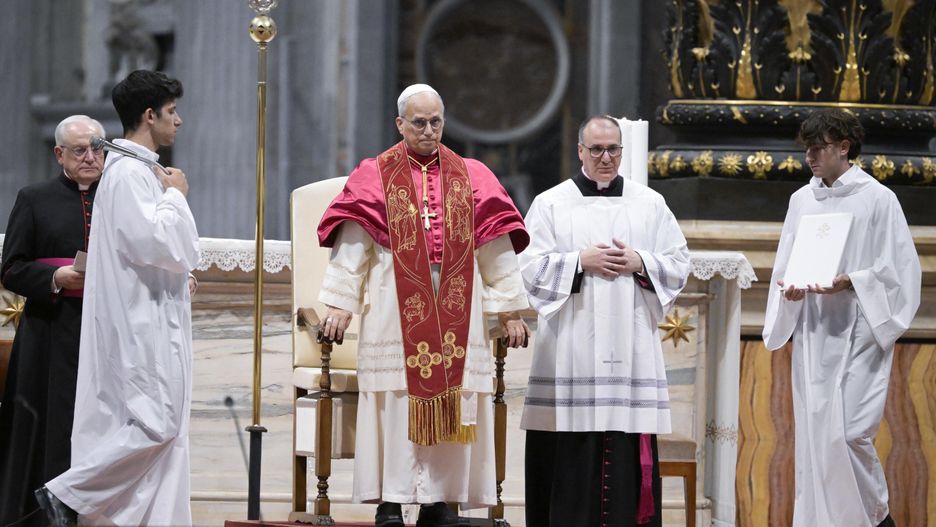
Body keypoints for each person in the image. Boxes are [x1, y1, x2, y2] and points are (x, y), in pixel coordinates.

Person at [317, 84, 530, 527]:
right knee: (397, 400)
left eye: (436, 121)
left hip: (459, 301)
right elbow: (353, 244)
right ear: (400, 124)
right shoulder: (375, 174)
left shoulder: (472, 174)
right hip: (395, 301)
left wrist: (510, 309)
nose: (429, 130)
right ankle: (391, 503)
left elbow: (494, 248)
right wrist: (339, 304)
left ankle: (437, 503)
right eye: (419, 122)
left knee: (455, 397)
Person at [36, 70, 199, 527]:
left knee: (165, 432)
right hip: (140, 324)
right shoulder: (129, 173)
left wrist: (181, 273)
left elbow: (153, 252)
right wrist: (177, 197)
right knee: (157, 423)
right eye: (171, 112)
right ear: (150, 115)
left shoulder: (138, 170)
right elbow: (156, 244)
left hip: (152, 314)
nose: (178, 122)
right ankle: (68, 494)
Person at [518, 115, 691, 526]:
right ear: (580, 151)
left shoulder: (649, 204)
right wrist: (580, 261)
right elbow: (528, 267)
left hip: (630, 350)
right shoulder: (551, 203)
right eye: (596, 149)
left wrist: (640, 261)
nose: (606, 158)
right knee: (571, 453)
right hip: (571, 353)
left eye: (613, 149)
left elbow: (679, 262)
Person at [763, 109, 920, 527]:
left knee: (850, 432)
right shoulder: (802, 200)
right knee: (817, 439)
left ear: (844, 148)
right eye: (807, 149)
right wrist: (790, 288)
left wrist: (851, 280)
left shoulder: (878, 198)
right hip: (815, 331)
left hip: (860, 329)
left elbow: (901, 271)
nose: (810, 157)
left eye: (819, 148)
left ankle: (875, 519)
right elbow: (786, 263)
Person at [0, 115, 105, 527]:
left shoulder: (119, 198)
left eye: (97, 147)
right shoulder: (34, 198)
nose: (90, 157)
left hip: (103, 334)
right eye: (79, 149)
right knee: (50, 425)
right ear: (59, 153)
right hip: (49, 332)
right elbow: (10, 269)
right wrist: (55, 277)